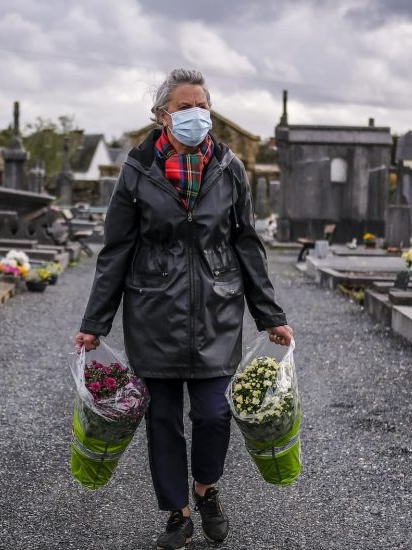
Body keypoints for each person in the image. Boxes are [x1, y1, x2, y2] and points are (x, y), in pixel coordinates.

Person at [74, 68, 293, 550]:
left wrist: (270, 315)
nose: (197, 115)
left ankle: (206, 489)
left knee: (214, 414)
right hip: (154, 311)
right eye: (185, 107)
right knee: (163, 420)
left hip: (217, 309)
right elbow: (116, 250)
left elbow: (247, 244)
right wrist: (95, 323)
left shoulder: (229, 168)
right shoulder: (136, 171)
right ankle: (178, 514)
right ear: (162, 115)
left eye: (202, 106)